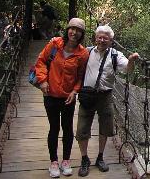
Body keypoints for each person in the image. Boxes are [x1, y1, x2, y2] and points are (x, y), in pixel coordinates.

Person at [76, 25, 139, 177]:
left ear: (111, 40)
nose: (102, 40)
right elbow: (69, 55)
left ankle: (100, 157)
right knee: (82, 129)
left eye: (106, 38)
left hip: (105, 96)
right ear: (95, 38)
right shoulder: (86, 51)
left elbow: (128, 69)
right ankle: (84, 159)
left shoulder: (116, 55)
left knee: (105, 128)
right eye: (100, 37)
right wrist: (54, 42)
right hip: (87, 95)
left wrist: (131, 61)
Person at [34, 18, 89, 178]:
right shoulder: (55, 44)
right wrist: (43, 80)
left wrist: (75, 91)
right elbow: (41, 62)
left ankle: (66, 161)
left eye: (78, 30)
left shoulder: (82, 53)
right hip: (50, 94)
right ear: (67, 30)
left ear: (81, 34)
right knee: (54, 128)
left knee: (67, 128)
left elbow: (80, 76)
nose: (74, 32)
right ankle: (53, 162)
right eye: (71, 28)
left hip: (67, 97)